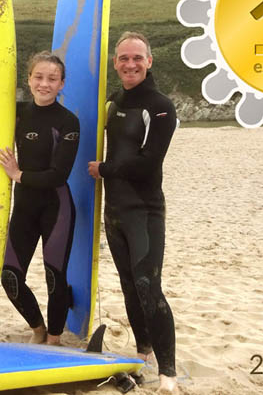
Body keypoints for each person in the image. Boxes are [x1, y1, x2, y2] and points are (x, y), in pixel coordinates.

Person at [87, 32, 178, 392]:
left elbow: (148, 162)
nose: (130, 64)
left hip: (144, 209)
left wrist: (103, 170)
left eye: (137, 57)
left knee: (148, 286)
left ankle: (168, 373)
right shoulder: (112, 102)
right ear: (115, 63)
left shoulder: (160, 106)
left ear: (149, 61)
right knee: (128, 286)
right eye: (123, 58)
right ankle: (145, 353)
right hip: (114, 210)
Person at [0, 51, 80, 345]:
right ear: (29, 80)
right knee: (9, 275)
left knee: (54, 276)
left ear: (61, 84)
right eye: (39, 77)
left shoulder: (68, 122)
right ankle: (38, 328)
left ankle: (55, 338)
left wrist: (18, 174)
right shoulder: (16, 112)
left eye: (52, 79)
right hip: (25, 208)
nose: (44, 84)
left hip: (57, 207)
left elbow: (58, 175)